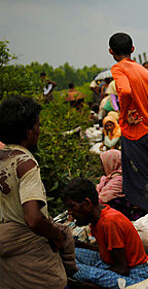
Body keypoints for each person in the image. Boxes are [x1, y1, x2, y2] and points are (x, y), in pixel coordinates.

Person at [0, 96, 76, 289]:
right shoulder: (25, 164)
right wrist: (56, 235)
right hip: (29, 254)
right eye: (38, 126)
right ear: (28, 132)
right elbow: (33, 219)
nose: (39, 131)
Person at [64, 178, 148, 289]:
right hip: (110, 263)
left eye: (72, 206)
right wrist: (79, 244)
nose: (70, 212)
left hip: (133, 275)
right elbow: (107, 250)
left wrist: (96, 273)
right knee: (69, 255)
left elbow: (122, 268)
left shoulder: (109, 222)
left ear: (87, 203)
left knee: (76, 270)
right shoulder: (97, 218)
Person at [109, 32, 148, 214]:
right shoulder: (142, 70)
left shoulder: (118, 69)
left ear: (111, 51)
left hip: (135, 131)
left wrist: (126, 112)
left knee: (138, 180)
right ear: (132, 49)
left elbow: (124, 91)